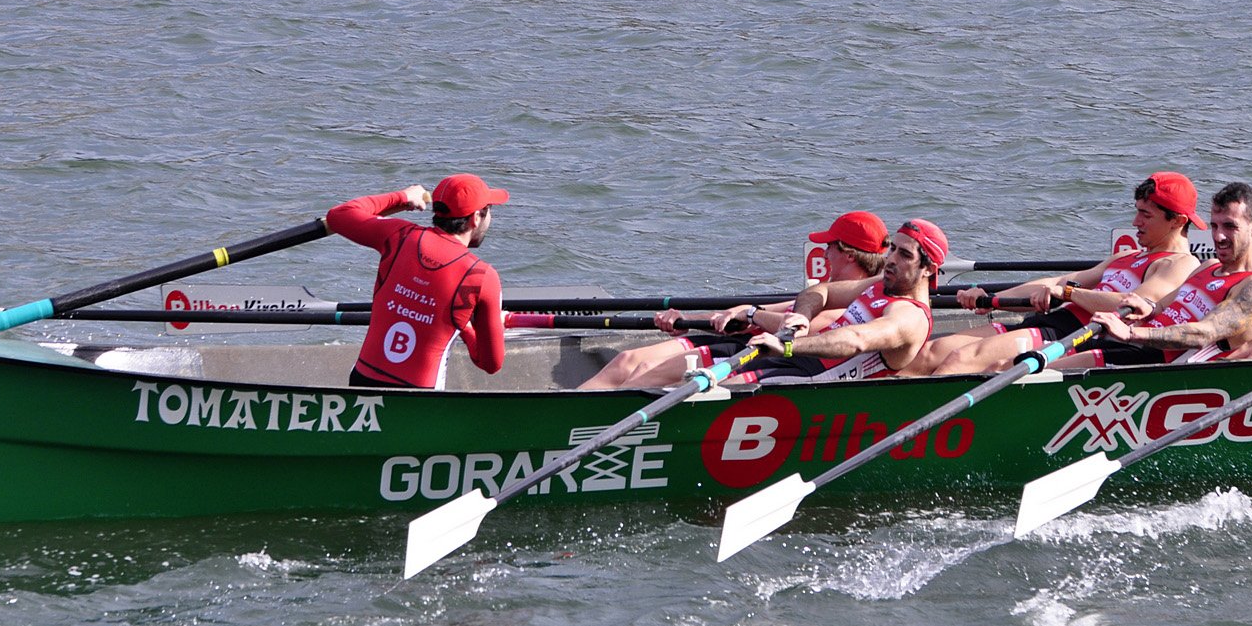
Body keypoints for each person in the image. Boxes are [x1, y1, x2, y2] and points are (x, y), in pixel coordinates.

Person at [913, 172, 1203, 376]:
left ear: (1177, 220)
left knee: (962, 360)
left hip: (1077, 336)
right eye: (1137, 211)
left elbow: (1131, 307)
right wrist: (989, 299)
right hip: (1052, 319)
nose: (1135, 221)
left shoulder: (1180, 264)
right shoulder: (1126, 256)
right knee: (931, 353)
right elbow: (1053, 283)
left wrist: (1068, 294)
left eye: (1146, 215)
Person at [579, 211, 889, 389]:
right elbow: (758, 313)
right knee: (626, 361)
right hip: (742, 343)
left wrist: (751, 314)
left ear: (849, 254)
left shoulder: (854, 301)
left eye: (830, 246)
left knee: (647, 373)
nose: (823, 252)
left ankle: (585, 436)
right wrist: (685, 320)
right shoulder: (826, 289)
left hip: (765, 357)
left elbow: (797, 328)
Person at [1050, 182, 1252, 368]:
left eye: (1229, 226)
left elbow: (1204, 334)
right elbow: (1159, 308)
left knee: (1041, 372)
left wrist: (1130, 333)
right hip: (1132, 345)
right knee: (1035, 357)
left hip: (1157, 363)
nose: (1219, 236)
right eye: (1214, 226)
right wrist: (1145, 306)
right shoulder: (1209, 265)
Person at [326, 173, 509, 389]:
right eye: (490, 211)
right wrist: (467, 326)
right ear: (476, 218)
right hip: (421, 400)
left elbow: (338, 216)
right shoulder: (483, 276)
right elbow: (490, 363)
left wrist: (402, 197)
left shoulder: (399, 236)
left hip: (362, 383)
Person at [726, 219, 948, 384]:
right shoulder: (884, 282)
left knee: (721, 389)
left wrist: (787, 346)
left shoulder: (911, 317)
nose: (891, 259)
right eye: (893, 249)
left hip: (818, 381)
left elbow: (856, 339)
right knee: (711, 375)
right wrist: (802, 317)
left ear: (928, 269)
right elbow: (821, 291)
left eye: (905, 255)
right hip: (801, 357)